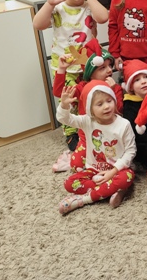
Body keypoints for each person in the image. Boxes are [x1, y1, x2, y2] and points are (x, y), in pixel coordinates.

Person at [33, 0, 109, 150]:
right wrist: (49, 4)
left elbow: (103, 17)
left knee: (90, 96)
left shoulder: (89, 6)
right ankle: (70, 133)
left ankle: (90, 126)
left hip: (88, 66)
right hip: (64, 67)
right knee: (68, 100)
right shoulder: (58, 8)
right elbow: (38, 24)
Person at [56, 80, 136, 215]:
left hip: (117, 170)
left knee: (128, 176)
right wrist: (64, 105)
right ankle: (112, 190)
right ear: (90, 108)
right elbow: (65, 119)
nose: (106, 106)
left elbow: (131, 151)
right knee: (69, 183)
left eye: (109, 101)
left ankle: (84, 199)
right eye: (100, 104)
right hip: (94, 171)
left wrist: (113, 171)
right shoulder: (87, 121)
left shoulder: (124, 124)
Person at [51, 39, 124, 172]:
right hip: (87, 137)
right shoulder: (82, 87)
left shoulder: (115, 87)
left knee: (113, 165)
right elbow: (58, 92)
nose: (109, 70)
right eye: (103, 68)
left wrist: (113, 90)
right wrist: (61, 69)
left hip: (111, 136)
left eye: (109, 65)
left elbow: (119, 112)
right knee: (77, 166)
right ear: (90, 72)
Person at [121, 59, 147, 168]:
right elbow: (134, 133)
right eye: (137, 80)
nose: (143, 82)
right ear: (131, 87)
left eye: (146, 77)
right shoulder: (129, 105)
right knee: (146, 151)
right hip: (143, 140)